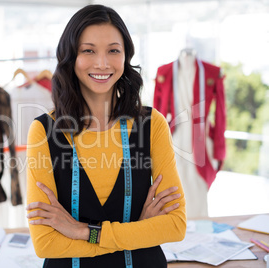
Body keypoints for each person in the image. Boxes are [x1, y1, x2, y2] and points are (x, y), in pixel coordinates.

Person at [26, 4, 186, 268]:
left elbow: (175, 225)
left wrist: (82, 231)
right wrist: (140, 231)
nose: (102, 63)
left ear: (125, 56)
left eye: (113, 50)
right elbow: (46, 243)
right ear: (70, 57)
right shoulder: (44, 131)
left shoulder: (151, 124)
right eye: (88, 50)